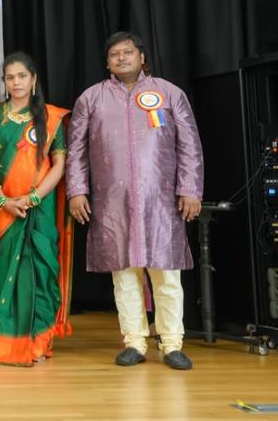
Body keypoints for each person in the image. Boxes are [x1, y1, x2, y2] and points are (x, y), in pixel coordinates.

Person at [66, 31, 203, 370]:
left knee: (166, 275)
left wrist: (190, 188)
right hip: (113, 202)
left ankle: (172, 343)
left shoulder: (169, 94)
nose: (122, 58)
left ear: (142, 57)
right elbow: (77, 151)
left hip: (160, 202)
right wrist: (77, 190)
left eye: (128, 52)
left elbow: (190, 145)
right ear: (107, 62)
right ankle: (135, 342)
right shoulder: (91, 99)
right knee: (124, 275)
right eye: (115, 54)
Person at [0, 52, 72, 366]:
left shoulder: (51, 117)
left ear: (33, 79)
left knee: (41, 272)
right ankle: (2, 346)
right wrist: (3, 200)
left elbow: (59, 165)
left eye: (22, 76)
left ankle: (38, 343)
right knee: (4, 273)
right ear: (4, 82)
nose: (16, 82)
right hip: (3, 209)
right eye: (10, 77)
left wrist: (32, 198)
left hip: (39, 209)